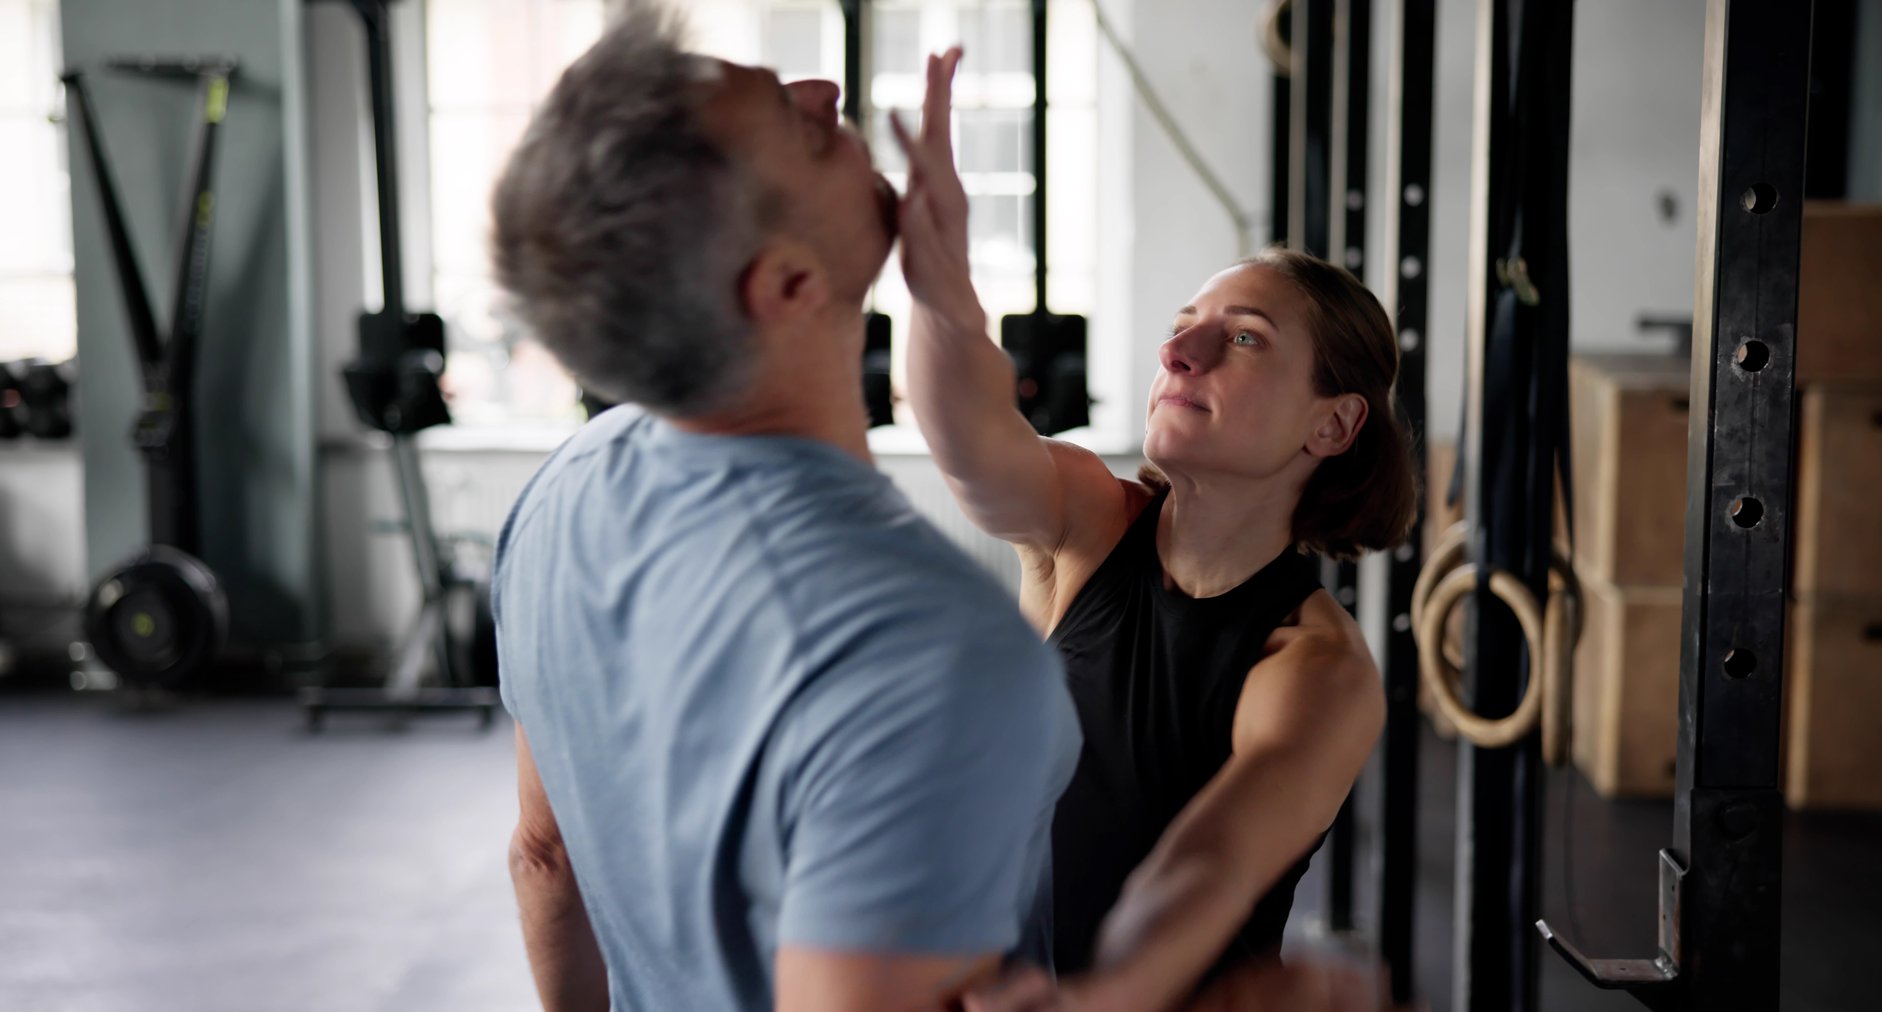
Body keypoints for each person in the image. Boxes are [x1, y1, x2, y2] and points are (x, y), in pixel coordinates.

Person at [486, 7, 1081, 1011]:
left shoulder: (557, 495)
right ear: (790, 283)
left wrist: (948, 297)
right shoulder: (933, 652)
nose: (827, 94)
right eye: (799, 124)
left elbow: (545, 860)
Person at [891, 49, 1412, 1011]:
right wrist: (937, 281)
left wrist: (1104, 998)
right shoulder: (1087, 526)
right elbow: (968, 437)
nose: (1180, 351)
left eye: (1244, 337)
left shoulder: (1315, 670)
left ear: (1331, 424)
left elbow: (1211, 861)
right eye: (1185, 324)